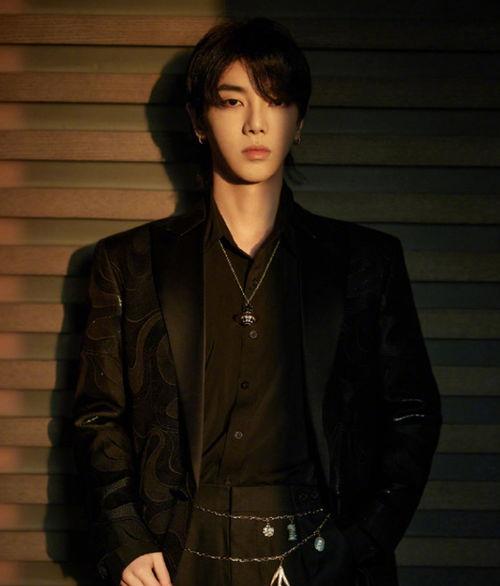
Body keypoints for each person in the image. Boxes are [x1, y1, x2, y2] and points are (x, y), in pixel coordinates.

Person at [72, 16, 442, 586]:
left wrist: (365, 540)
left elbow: (413, 410)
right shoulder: (129, 260)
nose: (255, 122)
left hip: (322, 543)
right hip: (176, 549)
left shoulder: (366, 260)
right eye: (231, 101)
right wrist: (127, 541)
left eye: (276, 100)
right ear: (198, 121)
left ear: (299, 122)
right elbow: (99, 414)